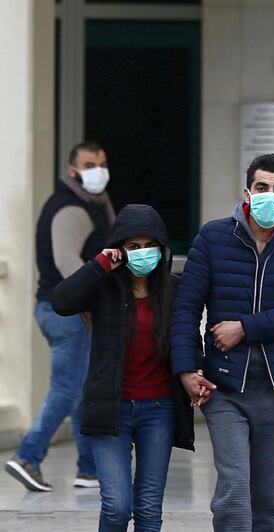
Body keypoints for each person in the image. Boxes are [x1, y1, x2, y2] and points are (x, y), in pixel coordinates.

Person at [170, 154, 274, 531]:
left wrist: (244, 328)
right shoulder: (213, 237)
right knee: (235, 493)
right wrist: (187, 368)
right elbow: (186, 307)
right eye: (262, 188)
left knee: (269, 505)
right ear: (247, 192)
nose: (270, 195)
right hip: (226, 389)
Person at [51, 204, 196, 531]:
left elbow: (189, 338)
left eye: (149, 246)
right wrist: (100, 264)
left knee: (148, 509)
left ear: (161, 249)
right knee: (116, 507)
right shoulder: (104, 288)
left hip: (159, 409)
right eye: (133, 246)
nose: (142, 253)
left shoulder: (174, 290)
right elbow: (61, 301)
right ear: (120, 249)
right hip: (111, 407)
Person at [5, 141, 114, 491]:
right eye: (89, 164)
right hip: (65, 313)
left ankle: (89, 468)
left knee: (81, 388)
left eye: (102, 162)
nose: (98, 169)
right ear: (73, 171)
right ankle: (28, 456)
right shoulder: (69, 209)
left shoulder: (94, 204)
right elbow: (72, 270)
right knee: (66, 389)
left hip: (62, 311)